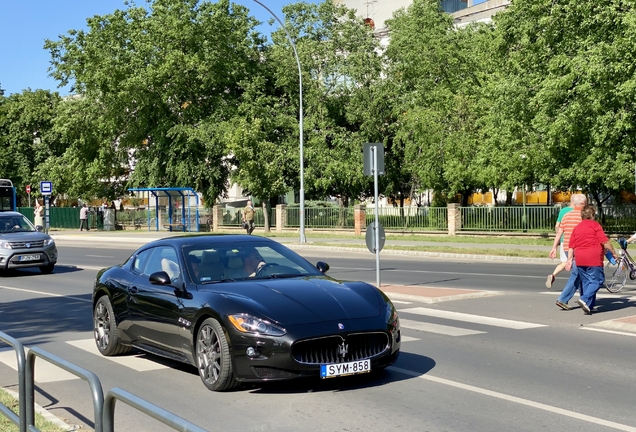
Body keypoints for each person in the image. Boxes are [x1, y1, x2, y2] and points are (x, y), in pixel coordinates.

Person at [566, 205, 617, 314]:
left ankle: (588, 306)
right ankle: (584, 299)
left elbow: (571, 246)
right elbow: (605, 241)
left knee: (586, 282)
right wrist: (614, 253)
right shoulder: (595, 225)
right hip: (593, 258)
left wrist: (569, 260)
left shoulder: (577, 227)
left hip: (579, 259)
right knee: (598, 280)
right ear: (592, 215)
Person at [549, 193, 586, 310]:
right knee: (578, 274)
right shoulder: (583, 217)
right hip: (579, 248)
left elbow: (559, 233)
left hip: (566, 247)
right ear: (583, 204)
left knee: (580, 273)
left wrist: (554, 247)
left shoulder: (566, 215)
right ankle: (564, 299)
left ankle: (585, 299)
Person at [546, 199, 572, 288]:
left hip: (563, 240)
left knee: (564, 262)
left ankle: (553, 275)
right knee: (575, 263)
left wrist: (560, 237)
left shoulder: (563, 211)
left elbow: (557, 226)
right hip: (574, 241)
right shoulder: (579, 211)